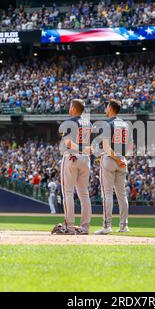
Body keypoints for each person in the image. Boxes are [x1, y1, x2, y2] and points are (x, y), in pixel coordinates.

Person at [57, 99, 92, 235]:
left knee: (68, 193)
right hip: (85, 159)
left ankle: (70, 227)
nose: (69, 108)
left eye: (71, 106)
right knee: (84, 194)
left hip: (72, 157)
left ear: (74, 108)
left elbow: (68, 143)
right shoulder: (88, 123)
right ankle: (84, 227)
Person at [95, 99, 131, 234]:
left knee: (107, 194)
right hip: (122, 159)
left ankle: (107, 226)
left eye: (106, 107)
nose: (105, 109)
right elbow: (128, 145)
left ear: (110, 108)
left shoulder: (107, 124)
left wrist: (116, 158)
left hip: (110, 159)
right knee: (122, 195)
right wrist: (121, 159)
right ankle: (124, 226)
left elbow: (105, 146)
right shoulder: (125, 125)